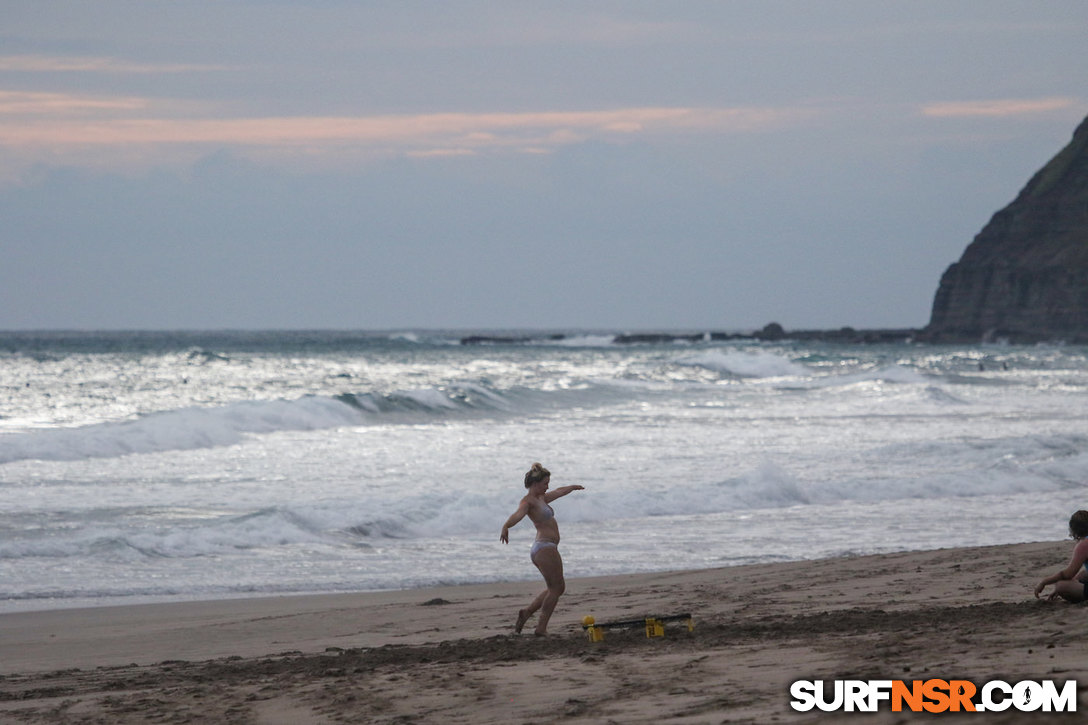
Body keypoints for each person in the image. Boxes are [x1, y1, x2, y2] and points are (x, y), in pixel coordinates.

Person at [500, 462, 584, 635]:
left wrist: (572, 487)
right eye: (545, 483)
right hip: (544, 548)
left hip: (545, 547)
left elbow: (559, 492)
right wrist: (506, 526)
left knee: (555, 587)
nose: (547, 486)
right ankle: (541, 628)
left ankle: (527, 612)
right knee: (556, 588)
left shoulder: (541, 498)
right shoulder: (528, 501)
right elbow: (518, 514)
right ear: (535, 484)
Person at [1034, 510, 1088, 602]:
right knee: (1083, 574)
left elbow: (1067, 574)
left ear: (1073, 529)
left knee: (1061, 586)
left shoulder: (1084, 545)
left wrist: (1044, 582)